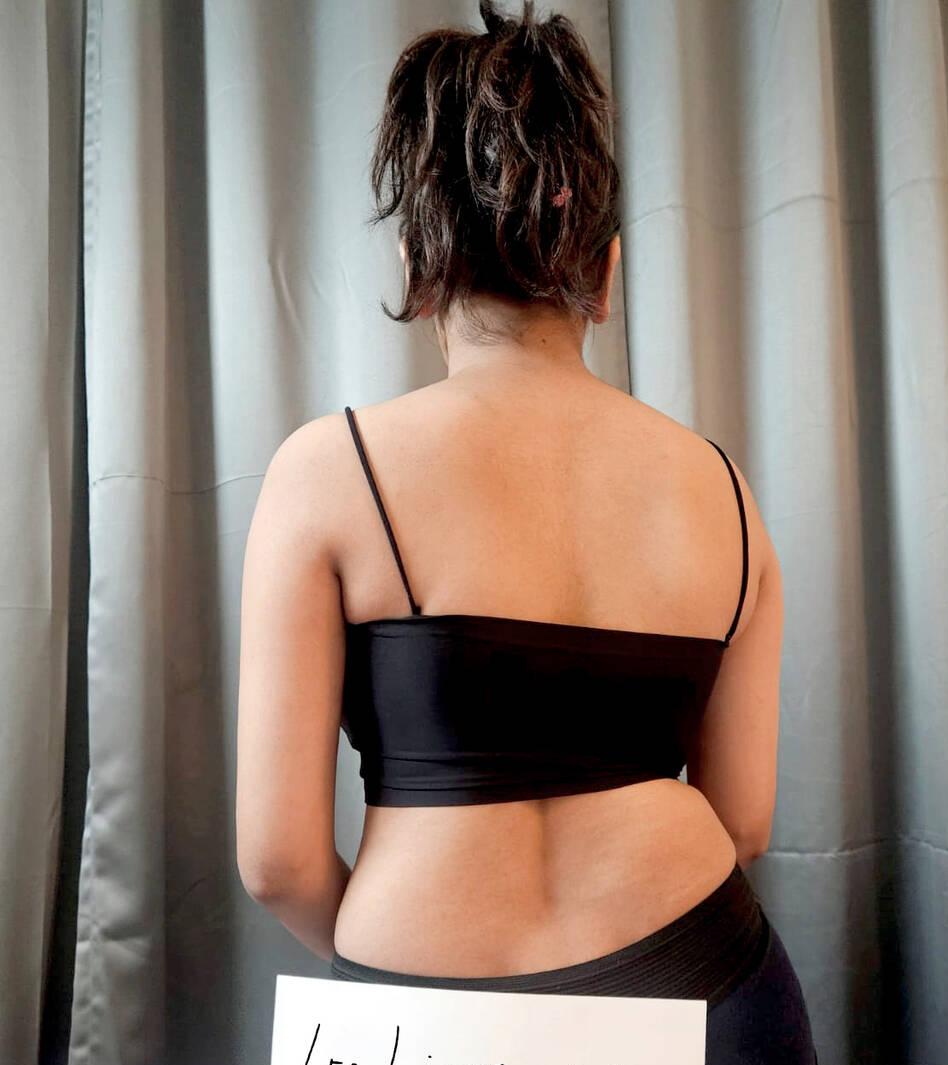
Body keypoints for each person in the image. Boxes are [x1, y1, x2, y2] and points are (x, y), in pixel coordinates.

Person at [236, 2, 818, 1061]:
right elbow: (742, 822)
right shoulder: (723, 491)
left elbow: (277, 863)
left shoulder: (328, 471)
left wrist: (402, 981)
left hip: (418, 1016)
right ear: (605, 274)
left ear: (417, 264)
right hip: (706, 983)